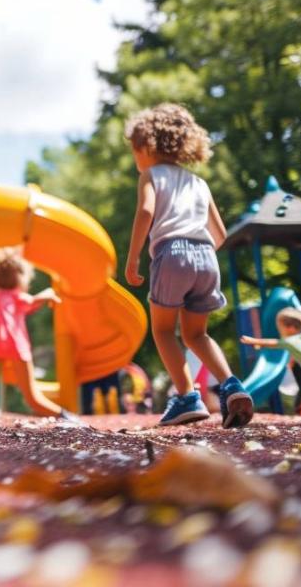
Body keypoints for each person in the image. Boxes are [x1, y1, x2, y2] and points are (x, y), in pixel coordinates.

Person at [124, 103, 252, 428]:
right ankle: (232, 385)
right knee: (197, 334)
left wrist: (134, 256)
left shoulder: (151, 176)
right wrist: (200, 251)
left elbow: (145, 212)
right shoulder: (199, 183)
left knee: (164, 329)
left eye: (135, 151)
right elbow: (219, 234)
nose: (136, 159)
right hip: (207, 256)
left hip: (172, 252)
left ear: (148, 148)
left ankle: (186, 397)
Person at [0, 249, 76, 421]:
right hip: (15, 346)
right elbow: (31, 302)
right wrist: (48, 294)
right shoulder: (16, 296)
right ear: (21, 278)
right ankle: (66, 416)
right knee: (33, 397)